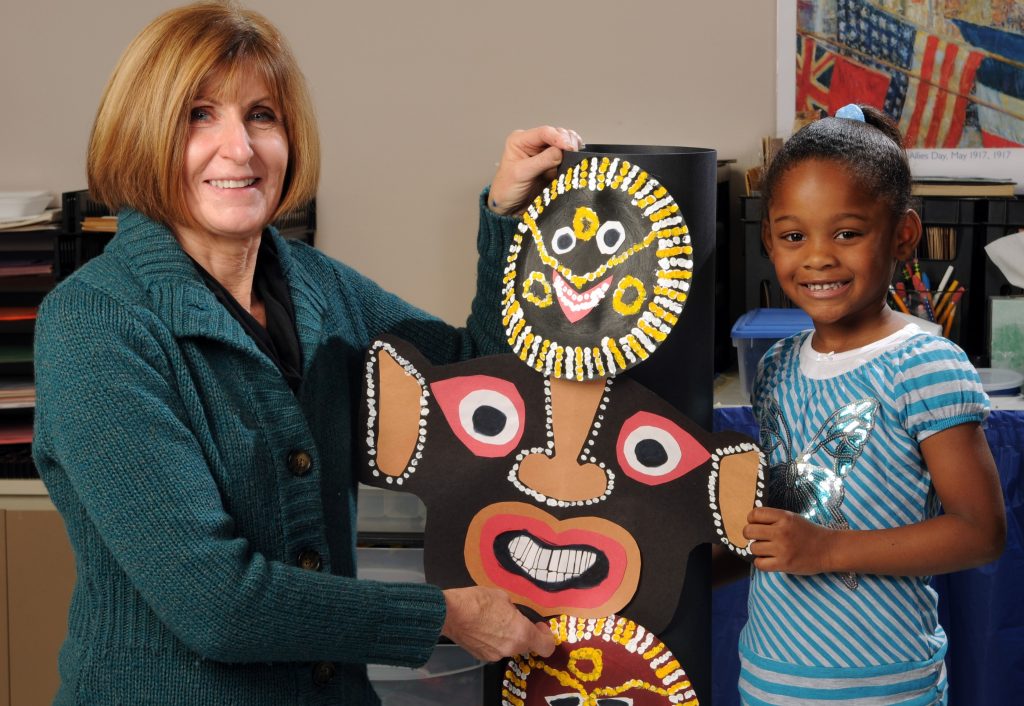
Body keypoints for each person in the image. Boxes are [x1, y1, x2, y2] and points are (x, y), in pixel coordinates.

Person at [31, 2, 578, 703]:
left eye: (262, 115)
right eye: (200, 114)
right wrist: (446, 616)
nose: (240, 149)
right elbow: (217, 604)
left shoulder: (318, 286)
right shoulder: (94, 324)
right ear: (142, 134)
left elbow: (477, 376)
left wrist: (506, 216)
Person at [728, 104, 1006, 705]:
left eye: (847, 233)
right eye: (794, 235)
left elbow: (981, 533)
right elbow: (778, 515)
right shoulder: (775, 365)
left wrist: (828, 550)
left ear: (903, 235)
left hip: (886, 685)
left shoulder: (926, 366)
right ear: (769, 242)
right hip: (770, 678)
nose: (819, 256)